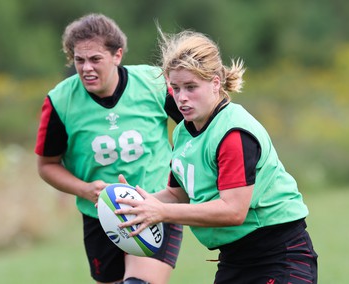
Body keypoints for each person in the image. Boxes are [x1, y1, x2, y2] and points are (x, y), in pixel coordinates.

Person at [115, 28, 318, 283]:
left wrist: (161, 212)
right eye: (175, 88)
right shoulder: (182, 133)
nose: (181, 98)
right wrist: (136, 204)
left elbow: (233, 211)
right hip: (235, 259)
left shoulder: (233, 133)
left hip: (280, 256)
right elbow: (179, 194)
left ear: (215, 83)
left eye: (191, 87)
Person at [34, 14, 183, 284]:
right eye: (79, 60)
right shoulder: (60, 101)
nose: (86, 68)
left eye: (95, 59)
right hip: (100, 215)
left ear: (117, 55)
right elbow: (46, 165)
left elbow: (196, 130)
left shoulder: (155, 84)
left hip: (155, 205)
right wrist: (83, 189)